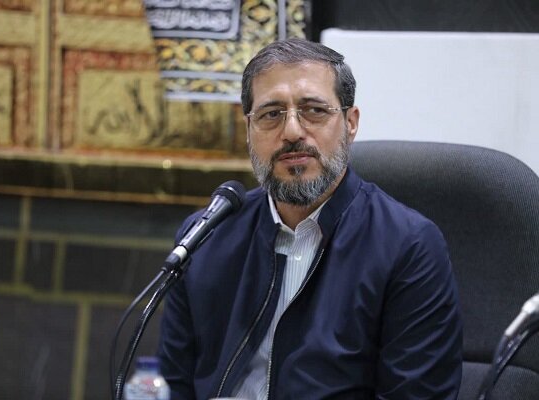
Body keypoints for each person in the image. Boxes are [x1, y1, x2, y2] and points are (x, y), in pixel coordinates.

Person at [157, 38, 462, 399]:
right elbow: (172, 386)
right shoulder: (207, 237)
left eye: (314, 110)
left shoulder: (408, 246)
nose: (291, 132)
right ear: (249, 131)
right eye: (271, 114)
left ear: (350, 123)